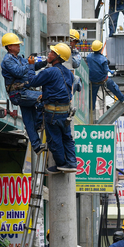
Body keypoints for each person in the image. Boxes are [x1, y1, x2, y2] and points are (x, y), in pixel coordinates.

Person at [25, 43, 77, 174]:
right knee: (66, 137)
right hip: (65, 112)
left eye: (52, 53)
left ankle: (61, 164)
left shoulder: (50, 71)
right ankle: (71, 162)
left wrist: (31, 65)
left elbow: (32, 81)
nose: (49, 54)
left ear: (57, 57)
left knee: (54, 139)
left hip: (52, 113)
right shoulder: (68, 73)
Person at [1, 33, 44, 153]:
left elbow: (33, 65)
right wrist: (30, 63)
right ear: (9, 47)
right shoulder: (7, 60)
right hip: (19, 93)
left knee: (28, 120)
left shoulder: (19, 59)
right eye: (16, 44)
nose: (19, 46)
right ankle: (39, 123)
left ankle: (36, 146)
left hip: (24, 93)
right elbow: (19, 72)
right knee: (44, 97)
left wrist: (44, 61)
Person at [88, 40, 124, 109]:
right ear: (100, 49)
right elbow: (105, 71)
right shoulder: (103, 59)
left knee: (92, 96)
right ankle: (122, 98)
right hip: (103, 80)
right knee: (114, 86)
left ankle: (91, 109)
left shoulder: (89, 57)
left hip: (93, 81)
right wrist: (110, 70)